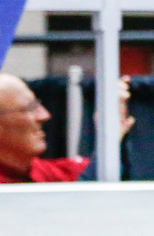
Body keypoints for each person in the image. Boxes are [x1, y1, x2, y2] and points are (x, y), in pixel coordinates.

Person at [0, 72, 134, 183]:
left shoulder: (47, 171)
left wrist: (114, 135)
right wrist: (109, 141)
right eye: (29, 108)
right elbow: (78, 209)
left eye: (38, 105)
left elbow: (100, 176)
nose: (44, 116)